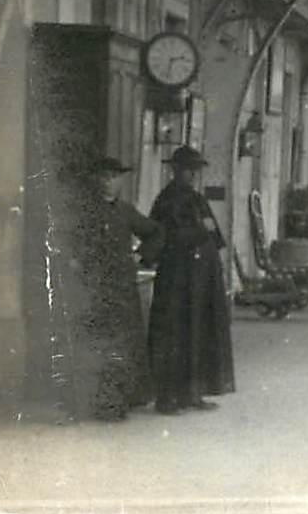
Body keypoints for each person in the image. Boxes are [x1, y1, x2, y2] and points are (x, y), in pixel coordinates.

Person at [58, 156, 163, 421]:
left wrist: (142, 256)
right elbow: (63, 239)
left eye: (114, 177)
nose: (108, 183)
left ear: (121, 181)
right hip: (90, 289)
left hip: (121, 290)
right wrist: (72, 261)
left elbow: (156, 232)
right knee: (92, 345)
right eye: (103, 177)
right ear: (95, 180)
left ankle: (116, 403)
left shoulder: (126, 211)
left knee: (121, 347)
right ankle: (86, 403)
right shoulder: (83, 211)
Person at [147, 146, 235, 414]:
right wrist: (197, 232)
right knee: (174, 333)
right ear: (175, 170)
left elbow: (215, 236)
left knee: (198, 331)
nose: (191, 175)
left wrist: (200, 234)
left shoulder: (198, 200)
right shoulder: (166, 200)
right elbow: (163, 236)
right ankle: (167, 397)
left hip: (201, 278)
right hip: (177, 278)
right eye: (186, 169)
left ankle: (193, 392)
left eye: (194, 170)